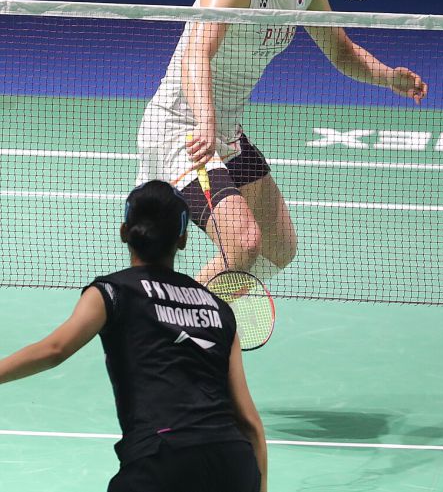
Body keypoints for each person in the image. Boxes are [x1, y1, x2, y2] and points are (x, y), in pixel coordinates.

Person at [136, 0, 428, 285]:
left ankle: (189, 311)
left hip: (225, 132)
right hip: (182, 131)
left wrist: (389, 78)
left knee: (279, 247)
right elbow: (196, 54)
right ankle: (180, 317)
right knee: (243, 244)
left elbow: (342, 52)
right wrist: (205, 120)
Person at [0, 180, 267, 492]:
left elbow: (55, 349)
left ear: (124, 231)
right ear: (182, 239)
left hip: (162, 459)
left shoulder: (113, 292)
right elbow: (249, 423)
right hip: (233, 462)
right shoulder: (219, 309)